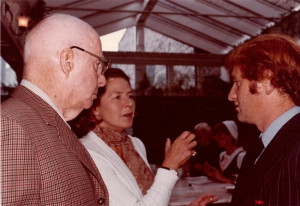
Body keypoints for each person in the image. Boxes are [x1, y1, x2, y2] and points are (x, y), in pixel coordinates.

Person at [1, 14, 110, 205]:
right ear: (67, 61)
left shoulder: (38, 122)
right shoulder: (11, 126)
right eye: (97, 65)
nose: (102, 80)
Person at [71, 68, 219, 206]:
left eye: (130, 96)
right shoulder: (88, 153)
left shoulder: (135, 144)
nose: (129, 103)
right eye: (117, 97)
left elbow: (149, 199)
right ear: (95, 108)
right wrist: (170, 167)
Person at [226, 33, 300, 206]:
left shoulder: (297, 150)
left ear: (266, 81)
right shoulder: (261, 146)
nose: (231, 96)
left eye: (237, 83)